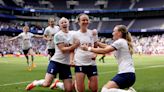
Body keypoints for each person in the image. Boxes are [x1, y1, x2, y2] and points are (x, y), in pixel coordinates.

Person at [25, 17, 79, 92]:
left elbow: (81, 34)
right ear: (59, 25)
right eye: (62, 22)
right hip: (56, 62)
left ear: (68, 23)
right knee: (46, 84)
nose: (64, 24)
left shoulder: (73, 33)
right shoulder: (58, 35)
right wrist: (75, 46)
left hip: (66, 64)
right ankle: (35, 83)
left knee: (69, 89)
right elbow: (63, 49)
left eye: (65, 22)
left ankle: (57, 84)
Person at [81, 25, 136, 92]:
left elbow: (105, 50)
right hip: (129, 75)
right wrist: (97, 43)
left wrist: (88, 48)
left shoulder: (120, 41)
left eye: (114, 31)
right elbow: (107, 46)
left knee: (105, 90)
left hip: (125, 75)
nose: (112, 33)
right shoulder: (123, 41)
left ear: (119, 33)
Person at [71, 14, 99, 92]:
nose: (85, 21)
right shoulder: (75, 35)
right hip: (80, 63)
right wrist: (72, 60)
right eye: (83, 20)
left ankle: (81, 82)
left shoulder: (93, 33)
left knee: (94, 89)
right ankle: (76, 83)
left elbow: (96, 46)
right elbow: (72, 50)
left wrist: (95, 54)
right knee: (81, 90)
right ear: (79, 22)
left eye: (87, 20)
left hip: (92, 63)